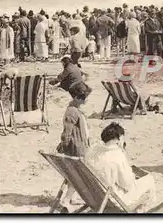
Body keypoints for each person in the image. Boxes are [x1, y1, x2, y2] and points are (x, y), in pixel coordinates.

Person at [85, 122, 157, 212]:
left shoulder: (92, 150)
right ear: (118, 138)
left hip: (94, 196)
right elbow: (128, 185)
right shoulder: (117, 155)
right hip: (113, 200)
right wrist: (123, 152)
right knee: (149, 180)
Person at [56, 81, 92, 212]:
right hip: (76, 148)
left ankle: (70, 197)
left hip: (80, 145)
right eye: (85, 97)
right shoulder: (72, 111)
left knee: (76, 175)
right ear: (77, 97)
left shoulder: (75, 109)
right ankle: (66, 199)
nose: (87, 99)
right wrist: (64, 145)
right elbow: (67, 132)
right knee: (78, 176)